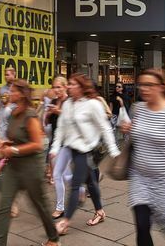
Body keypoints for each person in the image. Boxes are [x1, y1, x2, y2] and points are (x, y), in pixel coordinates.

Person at [120, 69, 165, 246]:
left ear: (161, 87)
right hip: (140, 179)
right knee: (142, 226)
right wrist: (128, 131)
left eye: (149, 85)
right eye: (141, 85)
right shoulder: (138, 108)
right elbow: (134, 139)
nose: (143, 89)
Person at [0, 79, 59, 246]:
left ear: (22, 94)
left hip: (30, 168)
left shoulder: (30, 114)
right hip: (13, 168)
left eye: (13, 91)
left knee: (39, 205)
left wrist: (13, 150)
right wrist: (5, 143)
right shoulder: (14, 113)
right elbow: (16, 139)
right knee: (4, 207)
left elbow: (37, 144)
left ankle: (53, 238)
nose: (9, 93)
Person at [51, 73, 120, 235]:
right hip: (70, 149)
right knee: (91, 183)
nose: (69, 87)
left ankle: (65, 222)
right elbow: (61, 128)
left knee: (76, 185)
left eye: (72, 84)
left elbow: (105, 128)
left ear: (81, 87)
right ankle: (100, 212)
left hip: (86, 151)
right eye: (68, 84)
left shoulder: (92, 104)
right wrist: (54, 148)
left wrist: (114, 150)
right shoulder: (68, 104)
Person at [45, 76, 68, 185]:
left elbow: (72, 119)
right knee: (52, 156)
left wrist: (58, 111)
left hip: (68, 139)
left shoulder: (70, 101)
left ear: (65, 87)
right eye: (54, 87)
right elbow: (46, 123)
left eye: (59, 87)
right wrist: (48, 114)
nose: (56, 90)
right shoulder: (53, 101)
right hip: (55, 137)